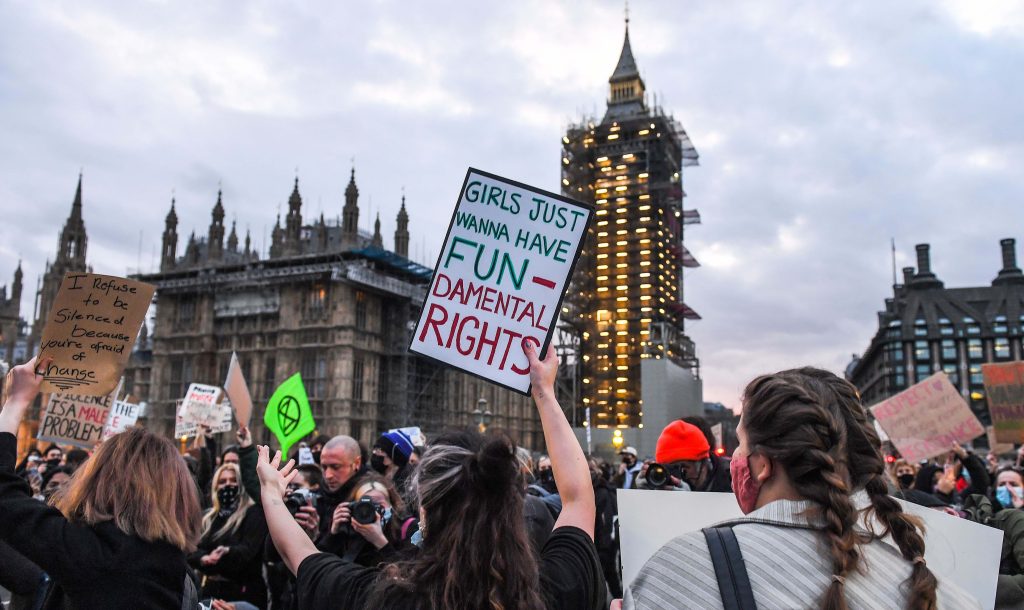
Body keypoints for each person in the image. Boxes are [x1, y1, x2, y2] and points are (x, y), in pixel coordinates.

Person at [257, 340, 605, 609]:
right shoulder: (554, 590)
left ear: (425, 511)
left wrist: (272, 493)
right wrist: (544, 391)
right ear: (512, 508)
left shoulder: (386, 598)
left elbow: (298, 554)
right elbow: (578, 498)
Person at [624, 367, 980, 609]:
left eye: (741, 443)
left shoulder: (680, 571)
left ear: (762, 465)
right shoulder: (943, 592)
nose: (735, 456)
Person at [0, 357, 202, 609]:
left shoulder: (94, 555)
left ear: (103, 480)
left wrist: (15, 402)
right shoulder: (177, 568)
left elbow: (4, 495)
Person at [188, 462, 268, 608]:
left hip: (244, 592)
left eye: (233, 480)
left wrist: (227, 552)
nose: (228, 485)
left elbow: (249, 550)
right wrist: (203, 558)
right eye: (222, 481)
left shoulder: (254, 513)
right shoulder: (208, 518)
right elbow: (191, 549)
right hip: (212, 591)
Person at [320, 474, 414, 567]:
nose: (372, 510)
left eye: (378, 504)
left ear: (392, 505)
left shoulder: (407, 528)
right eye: (364, 506)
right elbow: (319, 564)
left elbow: (408, 571)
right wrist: (333, 534)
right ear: (354, 507)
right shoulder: (349, 528)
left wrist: (380, 541)